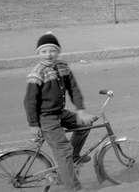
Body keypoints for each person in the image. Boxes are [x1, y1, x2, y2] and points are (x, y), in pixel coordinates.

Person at [24, 32, 93, 191]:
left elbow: (73, 89)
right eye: (44, 51)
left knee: (85, 125)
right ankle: (74, 188)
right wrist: (33, 125)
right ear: (38, 53)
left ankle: (74, 157)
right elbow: (30, 101)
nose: (48, 54)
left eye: (52, 50)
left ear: (58, 51)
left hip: (60, 113)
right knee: (63, 151)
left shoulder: (63, 67)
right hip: (46, 118)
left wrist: (81, 110)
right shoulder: (37, 73)